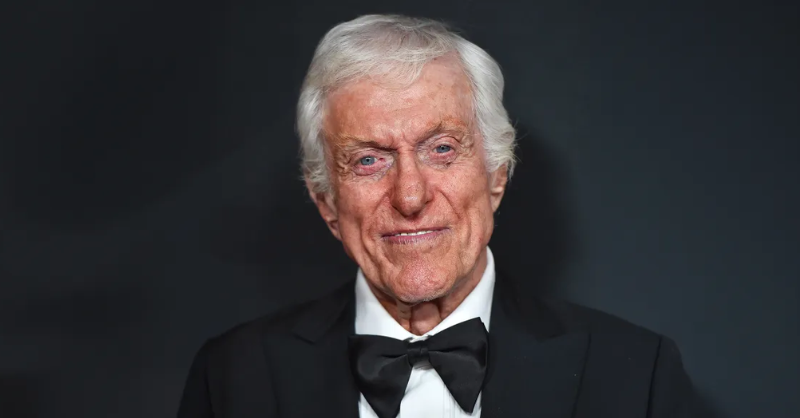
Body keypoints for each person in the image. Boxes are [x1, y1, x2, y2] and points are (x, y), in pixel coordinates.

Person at [177, 14, 696, 418]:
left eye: (442, 149)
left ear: (496, 175)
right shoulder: (233, 376)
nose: (409, 196)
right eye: (368, 160)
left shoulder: (636, 375)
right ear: (327, 202)